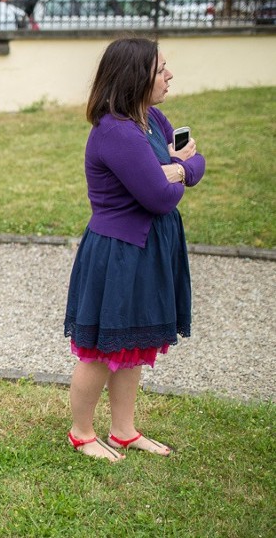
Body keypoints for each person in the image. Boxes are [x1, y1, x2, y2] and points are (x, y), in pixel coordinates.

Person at [64, 37, 206, 461]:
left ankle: (124, 430)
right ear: (135, 77)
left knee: (132, 349)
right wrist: (178, 172)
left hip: (147, 249)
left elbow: (196, 163)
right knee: (102, 350)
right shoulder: (117, 132)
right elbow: (158, 198)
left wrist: (175, 169)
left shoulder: (151, 119)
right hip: (120, 252)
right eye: (160, 69)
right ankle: (82, 432)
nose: (169, 76)